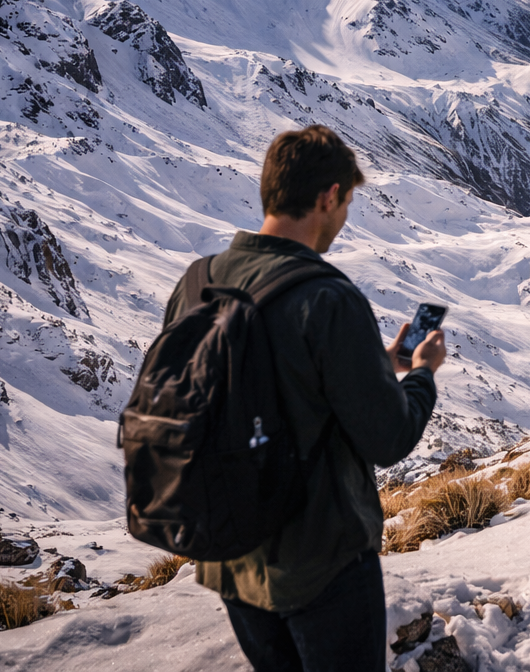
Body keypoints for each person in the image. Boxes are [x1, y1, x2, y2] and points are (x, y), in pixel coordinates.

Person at [161, 125, 447, 672]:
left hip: (231, 556)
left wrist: (373, 363)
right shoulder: (327, 298)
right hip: (322, 562)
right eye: (346, 203)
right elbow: (388, 437)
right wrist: (421, 373)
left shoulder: (198, 282)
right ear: (328, 197)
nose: (343, 218)